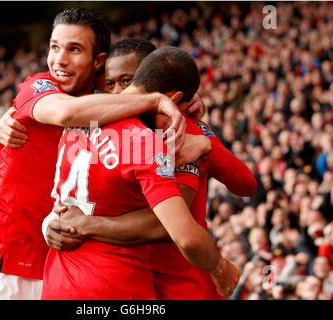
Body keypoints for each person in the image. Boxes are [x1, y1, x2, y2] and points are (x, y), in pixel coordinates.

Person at [0, 8, 187, 300]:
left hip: (62, 275)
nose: (60, 60)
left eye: (74, 49)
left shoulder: (117, 111)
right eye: (54, 47)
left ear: (98, 61)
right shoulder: (39, 85)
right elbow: (67, 112)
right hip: (4, 270)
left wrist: (186, 103)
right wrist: (155, 100)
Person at [46, 38, 256, 300]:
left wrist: (206, 144)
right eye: (110, 84)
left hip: (180, 283)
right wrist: (51, 226)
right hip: (122, 278)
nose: (119, 94)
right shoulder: (97, 122)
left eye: (127, 80)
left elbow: (166, 224)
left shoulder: (177, 133)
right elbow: (69, 200)